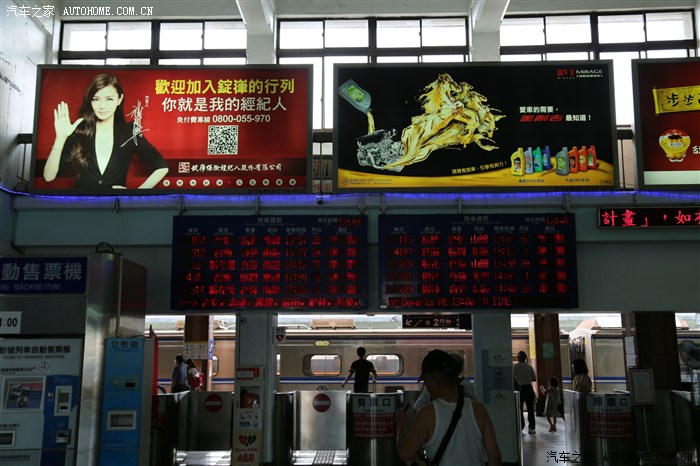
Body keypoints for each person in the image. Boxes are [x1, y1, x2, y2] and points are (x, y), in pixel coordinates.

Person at [43, 72, 168, 190]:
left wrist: (136, 193)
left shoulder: (130, 132)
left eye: (109, 99)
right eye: (96, 99)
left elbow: (161, 167)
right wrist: (60, 137)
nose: (102, 106)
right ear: (90, 101)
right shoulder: (79, 130)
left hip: (116, 204)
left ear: (119, 99)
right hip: (82, 202)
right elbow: (48, 177)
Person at [395, 349, 502, 466]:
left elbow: (405, 454)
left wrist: (401, 425)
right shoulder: (479, 409)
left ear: (434, 384)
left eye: (426, 383)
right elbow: (494, 455)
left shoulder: (426, 414)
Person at [514, 350, 537, 434]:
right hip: (528, 388)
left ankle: (521, 426)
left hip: (519, 389)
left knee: (519, 409)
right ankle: (531, 428)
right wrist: (527, 378)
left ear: (518, 358)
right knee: (530, 409)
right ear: (525, 358)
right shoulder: (529, 367)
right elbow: (534, 378)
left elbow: (513, 378)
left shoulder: (515, 367)